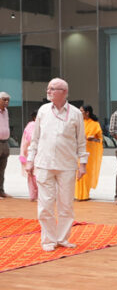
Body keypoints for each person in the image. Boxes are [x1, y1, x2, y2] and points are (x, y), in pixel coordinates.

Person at [25, 79, 87, 251]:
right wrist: (30, 160)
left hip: (67, 166)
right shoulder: (43, 111)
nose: (48, 91)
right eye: (48, 88)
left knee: (66, 204)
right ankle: (48, 240)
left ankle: (62, 238)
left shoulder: (75, 113)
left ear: (64, 92)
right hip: (44, 164)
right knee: (45, 205)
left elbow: (81, 141)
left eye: (53, 89)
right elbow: (35, 139)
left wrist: (83, 164)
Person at [74, 105, 103, 201]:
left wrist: (92, 139)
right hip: (78, 151)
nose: (79, 112)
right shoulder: (79, 123)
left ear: (87, 112)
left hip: (90, 152)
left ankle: (84, 194)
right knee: (78, 171)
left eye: (81, 111)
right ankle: (78, 195)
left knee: (86, 173)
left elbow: (100, 140)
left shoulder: (95, 124)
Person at [19, 111, 38, 201]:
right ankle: (33, 195)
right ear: (35, 117)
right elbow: (24, 142)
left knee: (39, 175)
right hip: (30, 153)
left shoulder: (46, 125)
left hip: (42, 154)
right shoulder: (31, 125)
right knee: (31, 175)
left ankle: (40, 195)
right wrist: (23, 154)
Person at [0, 91, 9, 198]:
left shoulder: (6, 111)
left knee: (2, 169)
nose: (6, 102)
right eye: (4, 99)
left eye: (8, 100)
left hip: (5, 143)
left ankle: (1, 191)